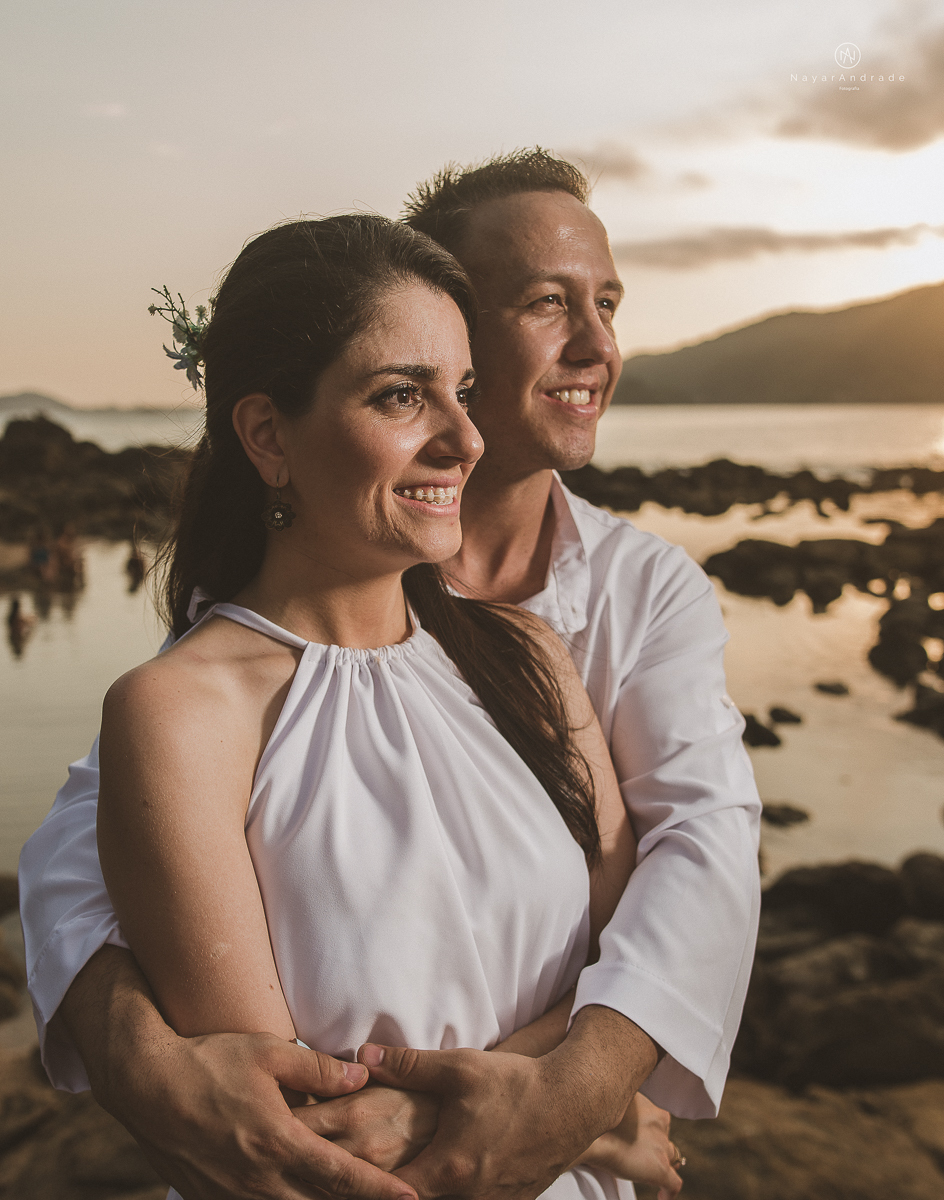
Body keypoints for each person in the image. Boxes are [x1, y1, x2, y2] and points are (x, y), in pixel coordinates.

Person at [19, 150, 760, 1200]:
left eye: (607, 303)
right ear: (268, 436)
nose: (462, 434)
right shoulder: (197, 690)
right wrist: (124, 1037)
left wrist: (576, 1107)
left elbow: (696, 858)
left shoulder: (560, 643)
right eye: (547, 302)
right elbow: (84, 838)